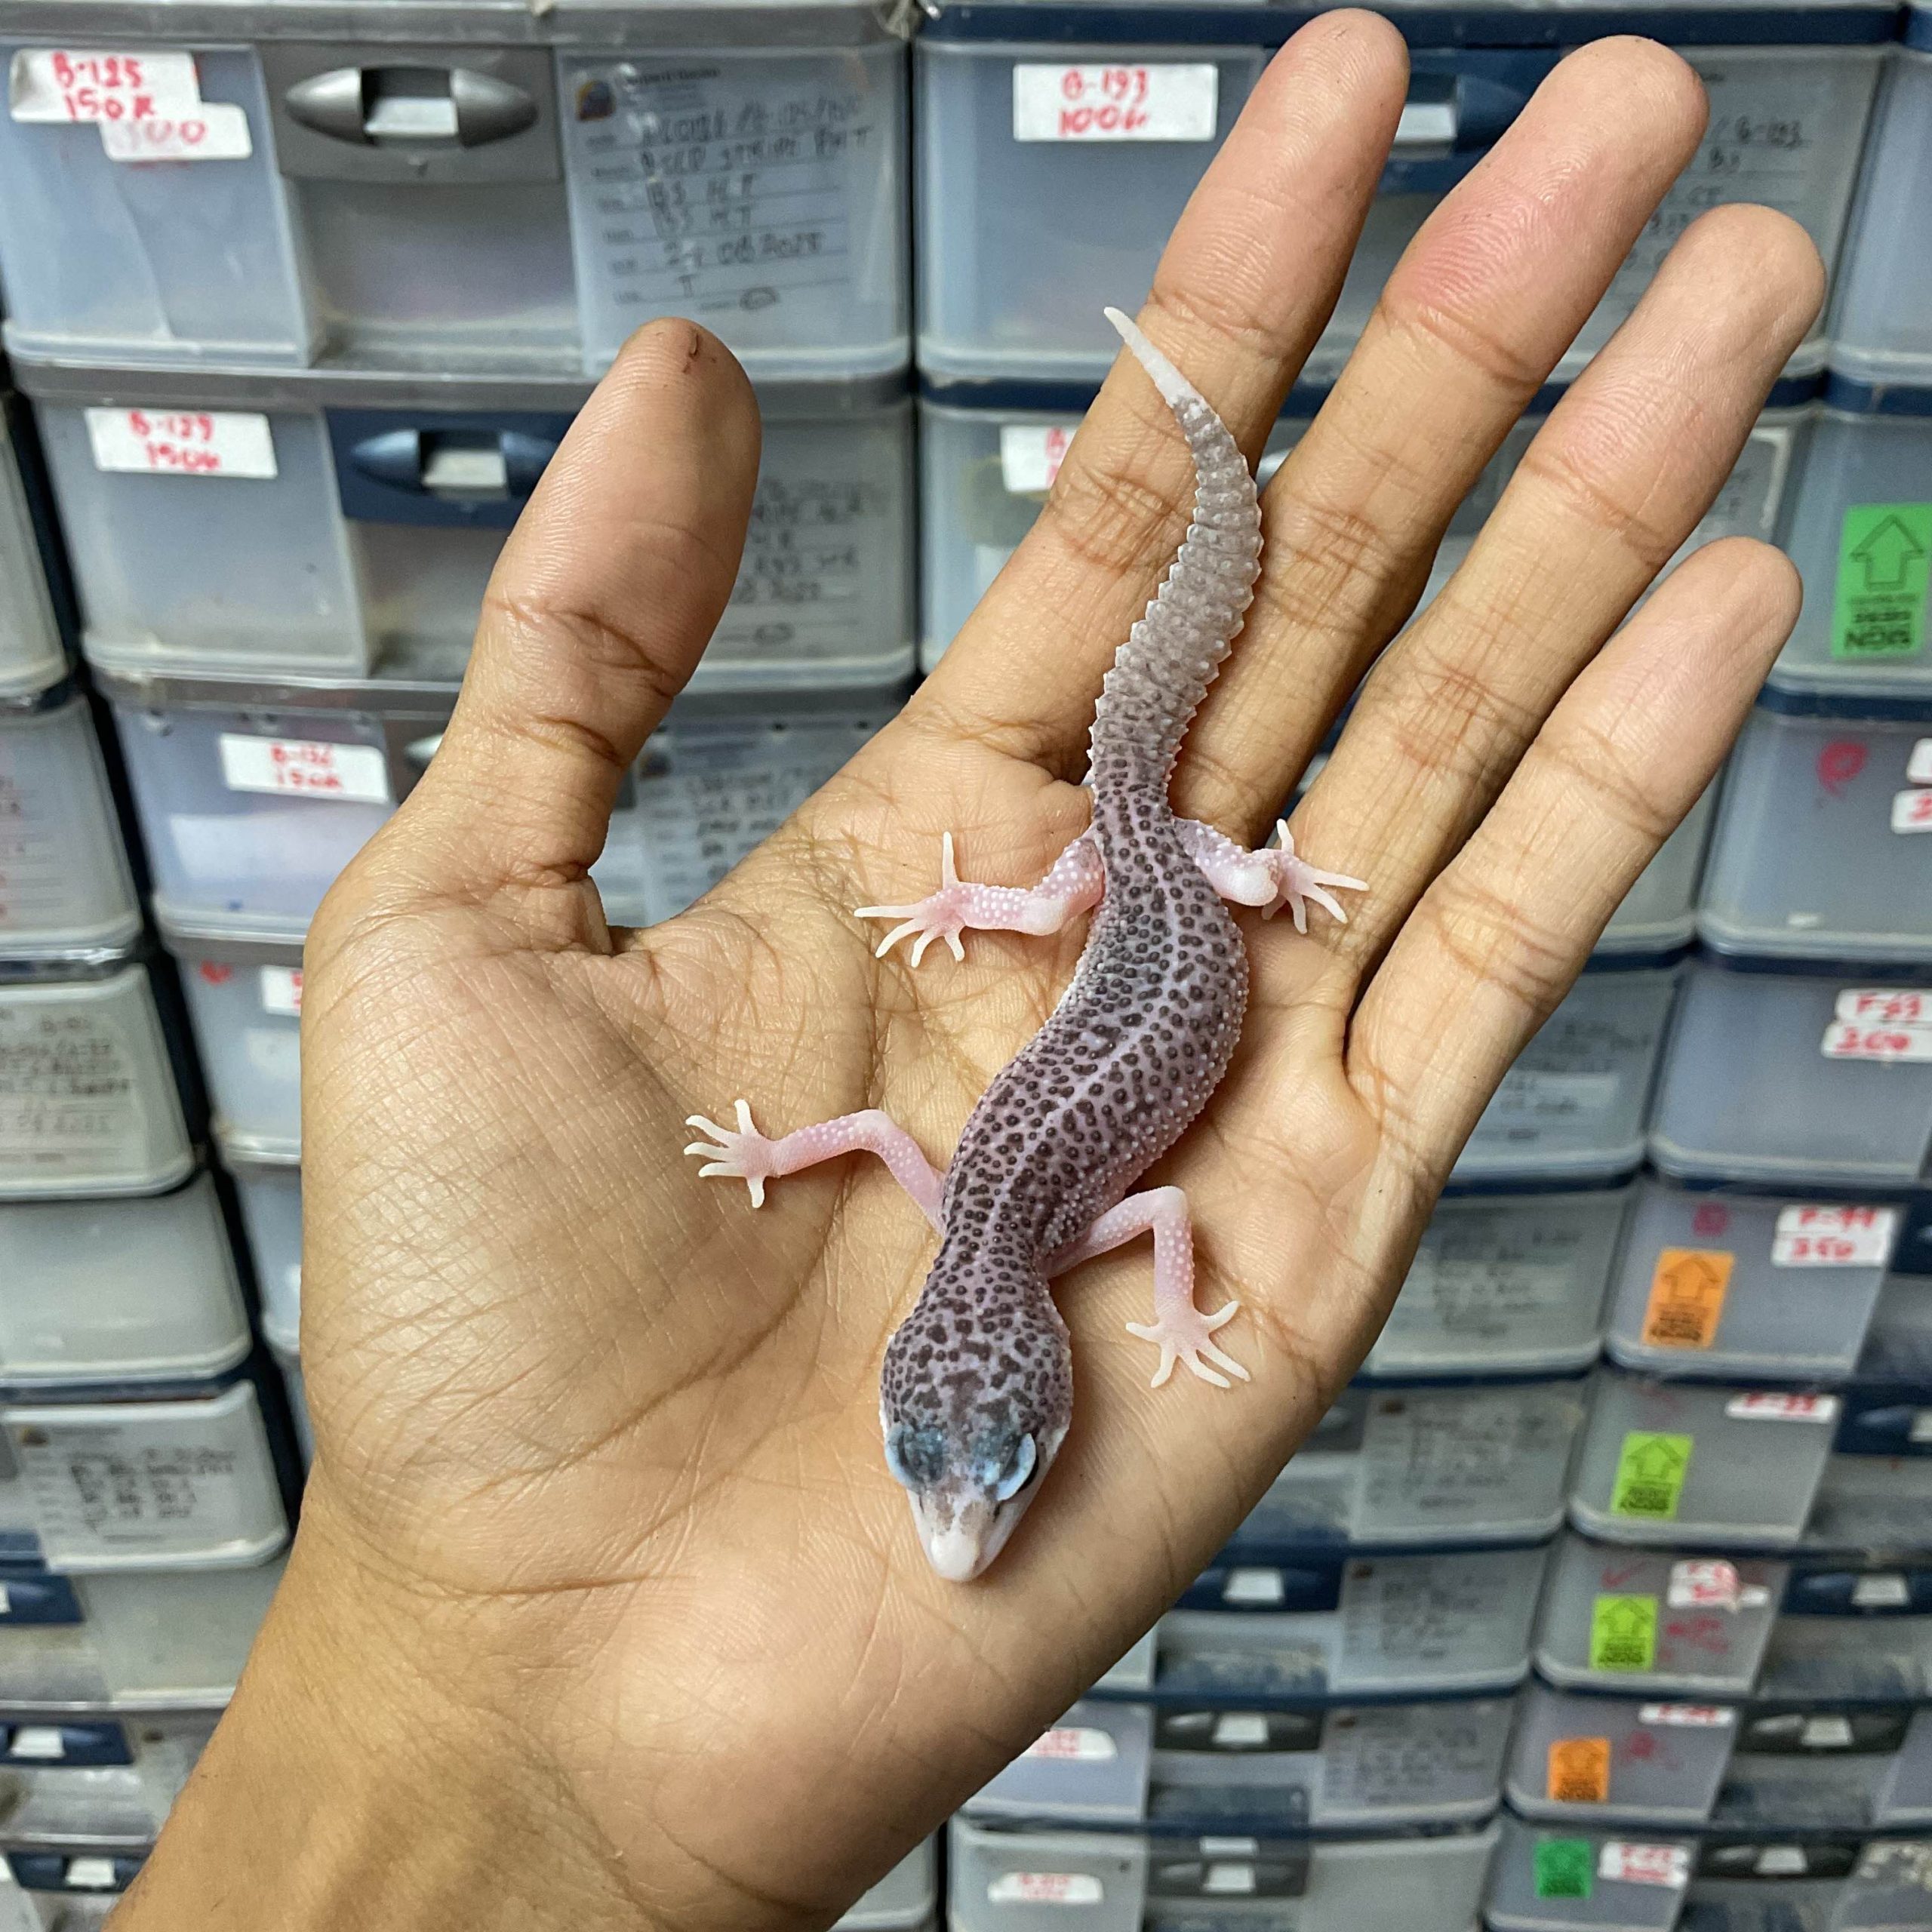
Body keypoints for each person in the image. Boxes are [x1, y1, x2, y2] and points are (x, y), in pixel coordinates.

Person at [113, 15, 1821, 1929]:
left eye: (963, 1467)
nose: (965, 1506)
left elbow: (1025, 1175)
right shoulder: (1014, 1220)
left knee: (1170, 786)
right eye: (984, 1467)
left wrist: (1193, 901)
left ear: (944, 1358)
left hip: (1156, 878)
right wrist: (893, 1068)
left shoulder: (1031, 1225)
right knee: (1156, 792)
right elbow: (1032, 1178)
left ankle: (1214, 550)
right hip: (1139, 883)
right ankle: (1205, 545)